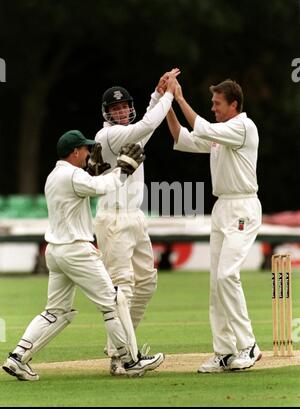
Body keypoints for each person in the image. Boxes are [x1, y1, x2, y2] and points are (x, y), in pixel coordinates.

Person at [2, 129, 164, 381]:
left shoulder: (54, 175)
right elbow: (103, 187)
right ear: (75, 151)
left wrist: (94, 174)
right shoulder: (73, 175)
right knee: (113, 302)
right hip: (77, 250)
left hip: (55, 251)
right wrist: (124, 168)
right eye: (86, 149)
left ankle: (17, 358)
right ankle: (130, 360)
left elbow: (88, 186)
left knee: (56, 311)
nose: (90, 154)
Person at [165, 78, 262, 373]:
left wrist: (180, 99)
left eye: (217, 104)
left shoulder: (243, 127)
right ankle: (224, 351)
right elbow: (183, 138)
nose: (213, 108)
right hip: (222, 207)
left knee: (227, 275)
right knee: (215, 284)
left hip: (243, 206)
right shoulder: (221, 134)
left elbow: (202, 127)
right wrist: (167, 103)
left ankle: (249, 346)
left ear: (234, 105)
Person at [93, 69, 179, 375]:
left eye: (123, 106)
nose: (120, 111)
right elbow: (147, 124)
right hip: (114, 219)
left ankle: (119, 346)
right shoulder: (109, 135)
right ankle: (125, 358)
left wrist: (156, 94)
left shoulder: (131, 131)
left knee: (146, 284)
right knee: (122, 289)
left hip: (135, 218)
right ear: (107, 114)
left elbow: (145, 128)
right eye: (114, 109)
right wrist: (171, 95)